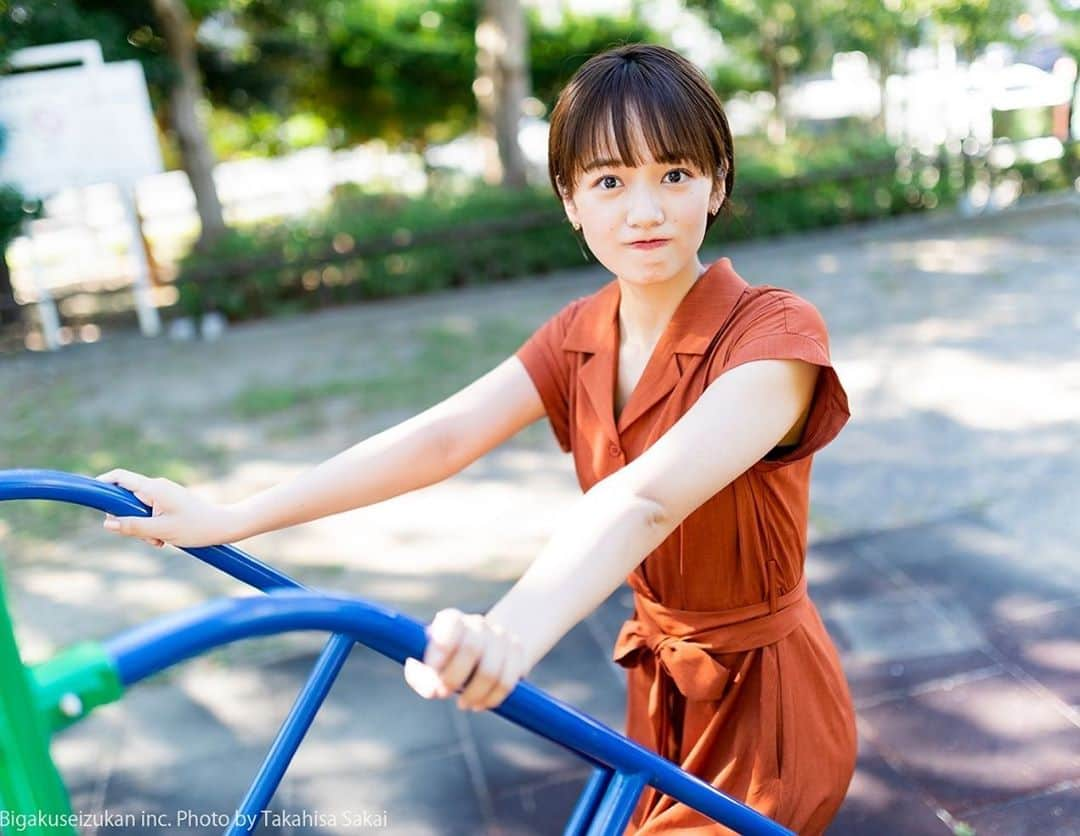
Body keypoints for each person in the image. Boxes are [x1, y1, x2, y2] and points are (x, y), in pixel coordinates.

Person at [96, 43, 857, 835]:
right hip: (660, 695)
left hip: (769, 714)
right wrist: (231, 516)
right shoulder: (580, 335)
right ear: (569, 199)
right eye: (609, 181)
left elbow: (647, 498)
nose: (644, 210)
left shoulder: (773, 331)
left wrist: (508, 633)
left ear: (717, 182)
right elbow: (443, 437)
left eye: (673, 174)